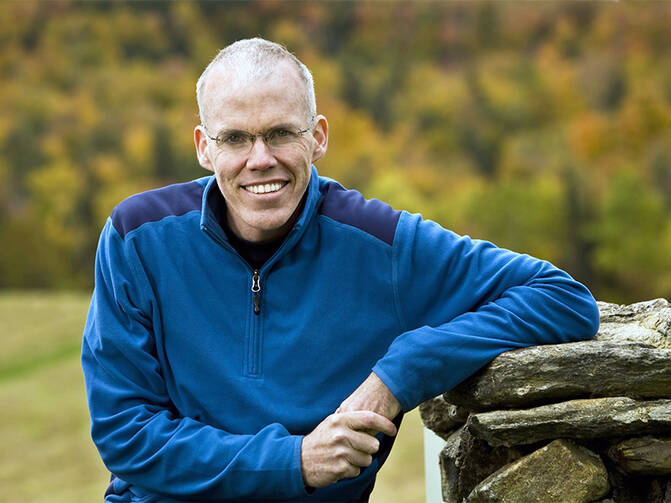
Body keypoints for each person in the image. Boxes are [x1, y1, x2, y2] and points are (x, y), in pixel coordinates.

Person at [81, 38, 599, 503]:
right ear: (203, 147)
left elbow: (560, 297)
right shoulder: (137, 236)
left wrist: (399, 373)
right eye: (235, 139)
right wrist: (295, 461)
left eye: (281, 133)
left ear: (319, 136)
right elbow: (125, 434)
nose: (260, 159)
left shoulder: (382, 243)